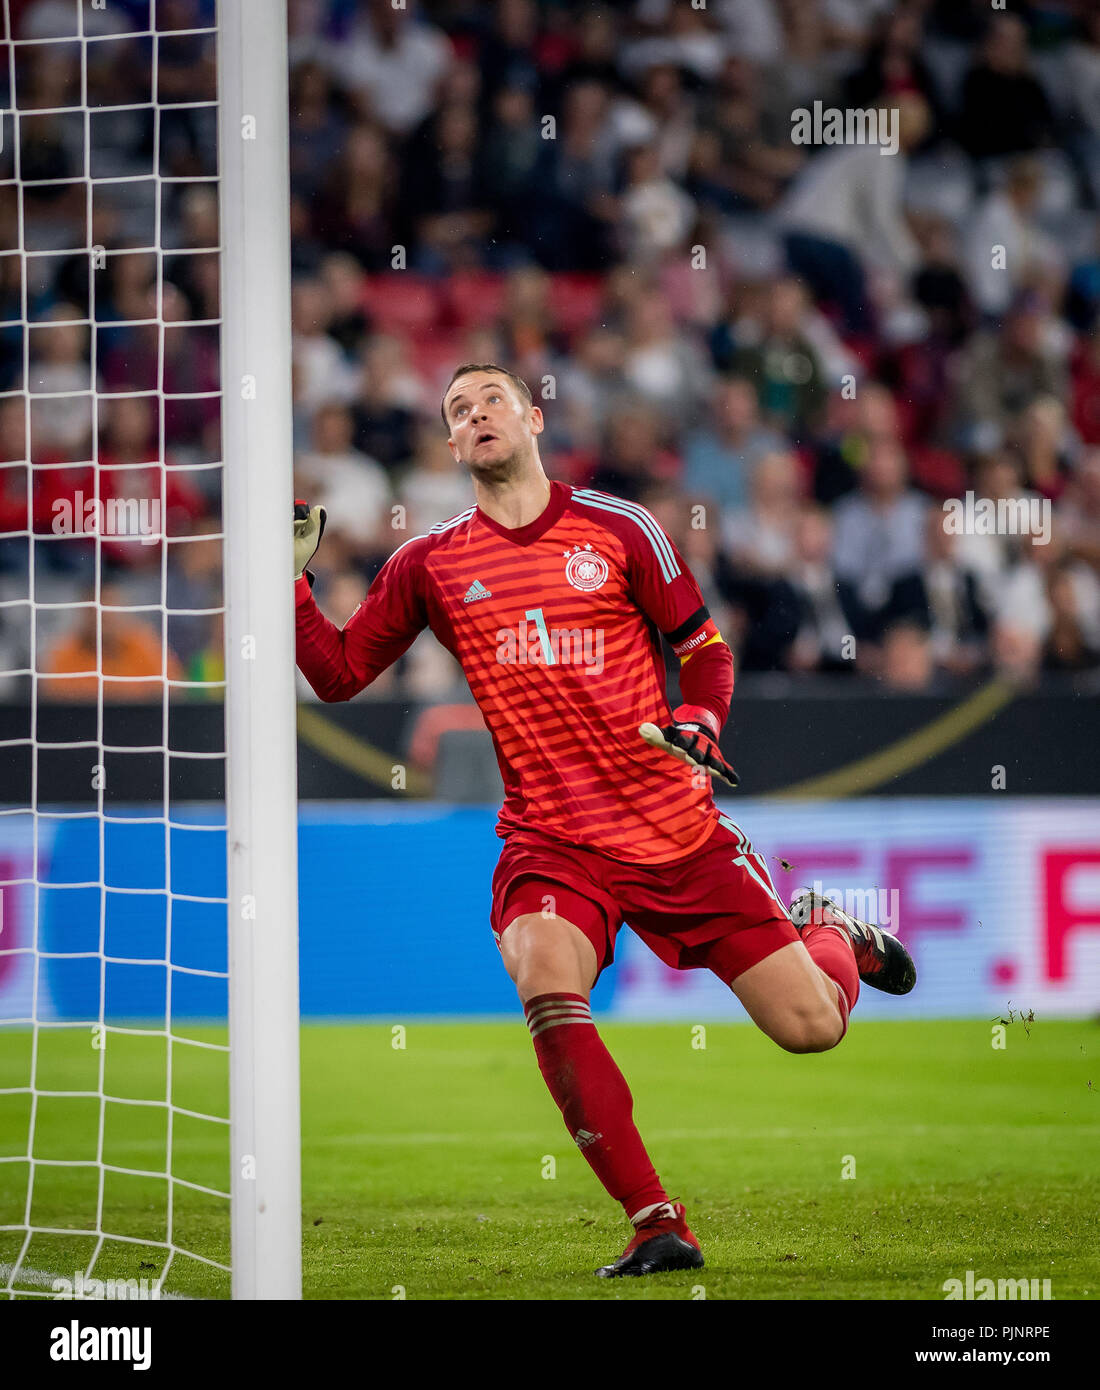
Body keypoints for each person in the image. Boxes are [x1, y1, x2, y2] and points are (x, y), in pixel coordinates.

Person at [292, 364, 916, 1278]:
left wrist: (700, 721)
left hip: (676, 830)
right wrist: (290, 586)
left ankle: (828, 935)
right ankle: (656, 1220)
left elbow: (704, 650)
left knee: (812, 1029)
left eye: (491, 400)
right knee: (545, 975)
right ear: (452, 444)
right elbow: (342, 674)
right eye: (457, 411)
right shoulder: (428, 564)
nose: (475, 417)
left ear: (535, 416)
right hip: (554, 839)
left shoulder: (619, 529)